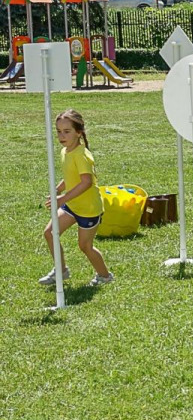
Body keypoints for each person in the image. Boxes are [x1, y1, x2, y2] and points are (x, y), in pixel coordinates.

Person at [38, 109, 113, 287]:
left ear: (79, 132)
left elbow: (86, 182)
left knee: (85, 246)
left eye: (67, 131)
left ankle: (105, 276)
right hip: (72, 205)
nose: (61, 136)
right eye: (58, 131)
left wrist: (62, 199)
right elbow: (71, 176)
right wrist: (59, 189)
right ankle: (61, 270)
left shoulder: (81, 155)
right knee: (50, 233)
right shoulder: (65, 151)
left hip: (88, 209)